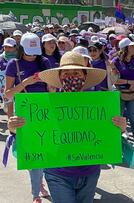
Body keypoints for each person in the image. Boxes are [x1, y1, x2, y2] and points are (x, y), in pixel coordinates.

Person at [8, 51, 127, 203]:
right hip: (58, 173)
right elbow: (28, 133)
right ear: (59, 77)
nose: (71, 76)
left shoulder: (99, 104)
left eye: (76, 72)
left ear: (84, 76)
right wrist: (13, 127)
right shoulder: (45, 105)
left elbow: (109, 136)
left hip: (90, 171)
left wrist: (121, 128)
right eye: (66, 73)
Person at [4, 33, 52, 203]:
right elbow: (7, 95)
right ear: (22, 49)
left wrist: (51, 85)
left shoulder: (45, 62)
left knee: (47, 151)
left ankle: (41, 183)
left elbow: (52, 92)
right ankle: (35, 193)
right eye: (29, 52)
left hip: (45, 114)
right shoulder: (13, 64)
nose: (32, 56)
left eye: (35, 52)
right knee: (33, 154)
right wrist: (25, 83)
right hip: (25, 115)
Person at [112, 38, 134, 152]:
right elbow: (114, 80)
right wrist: (129, 82)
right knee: (119, 118)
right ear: (125, 48)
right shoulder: (115, 61)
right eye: (131, 46)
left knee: (133, 119)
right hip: (119, 94)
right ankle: (117, 144)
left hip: (133, 94)